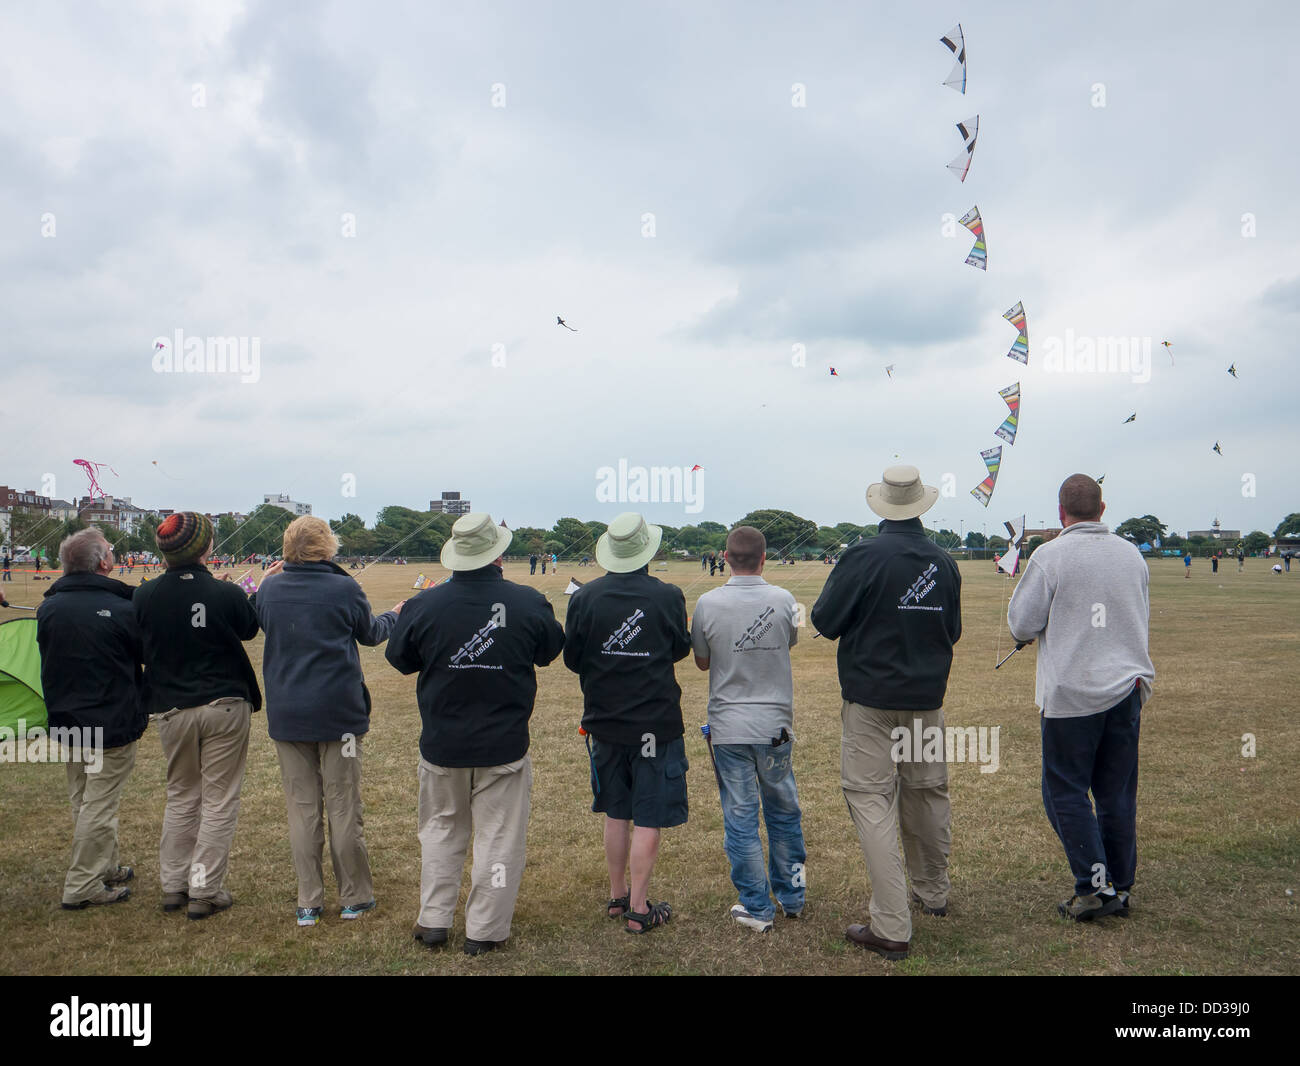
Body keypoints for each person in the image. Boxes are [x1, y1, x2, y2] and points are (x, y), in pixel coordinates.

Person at [386, 513, 563, 955]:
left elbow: (400, 659)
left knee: (441, 831)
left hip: (444, 742)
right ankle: (484, 928)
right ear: (497, 554)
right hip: (502, 742)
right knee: (499, 837)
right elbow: (550, 651)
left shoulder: (424, 604)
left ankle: (434, 919)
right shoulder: (528, 601)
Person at [811, 465, 962, 961]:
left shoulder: (862, 556)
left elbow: (825, 621)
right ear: (921, 506)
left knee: (871, 799)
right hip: (925, 698)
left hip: (871, 700)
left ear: (883, 507)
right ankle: (932, 891)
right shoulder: (943, 561)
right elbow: (953, 631)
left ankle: (892, 921)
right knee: (925, 793)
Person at [1008, 474, 1155, 922]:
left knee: (1064, 792)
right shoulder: (1131, 555)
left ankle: (1095, 887)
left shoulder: (1050, 556)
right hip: (1126, 689)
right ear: (1102, 509)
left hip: (1072, 694)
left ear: (1061, 513)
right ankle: (1118, 885)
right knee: (1115, 793)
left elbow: (1021, 625)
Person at [253, 516, 403, 927]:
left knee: (302, 810)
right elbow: (371, 633)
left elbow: (256, 618)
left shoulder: (271, 588)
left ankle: (309, 901)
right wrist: (395, 614)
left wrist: (267, 579)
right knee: (342, 806)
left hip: (288, 714)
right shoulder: (343, 587)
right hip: (339, 714)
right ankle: (354, 896)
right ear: (327, 546)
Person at [564, 512, 691, 933]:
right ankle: (639, 908)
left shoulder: (585, 597)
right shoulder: (667, 595)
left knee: (617, 812)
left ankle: (618, 896)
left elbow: (572, 658)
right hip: (655, 721)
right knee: (649, 813)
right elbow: (678, 649)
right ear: (646, 552)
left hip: (605, 720)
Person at [133, 512, 262, 920]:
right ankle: (204, 889)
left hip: (171, 708)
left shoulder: (145, 595)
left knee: (181, 795)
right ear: (206, 548)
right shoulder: (225, 593)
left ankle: (174, 885)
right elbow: (248, 629)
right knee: (219, 799)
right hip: (223, 704)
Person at [691, 525, 805, 932]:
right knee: (783, 809)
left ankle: (756, 906)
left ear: (725, 557)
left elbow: (702, 661)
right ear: (764, 559)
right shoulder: (785, 599)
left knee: (740, 817)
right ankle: (792, 896)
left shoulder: (707, 602)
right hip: (775, 724)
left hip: (729, 727)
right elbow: (788, 641)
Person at [36, 529, 147, 910]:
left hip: (69, 717)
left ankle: (105, 864)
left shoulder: (50, 606)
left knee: (85, 798)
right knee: (98, 803)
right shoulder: (120, 608)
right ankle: (82, 884)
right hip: (109, 719)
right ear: (103, 562)